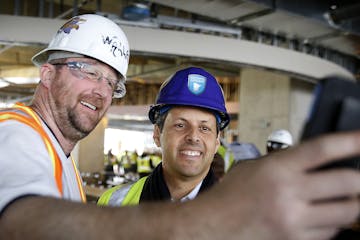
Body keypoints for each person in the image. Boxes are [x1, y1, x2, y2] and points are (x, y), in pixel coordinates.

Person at [1, 14, 360, 240]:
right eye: (89, 72)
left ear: (219, 139)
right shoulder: (16, 135)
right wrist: (213, 219)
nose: (100, 89)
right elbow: (18, 224)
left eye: (111, 82)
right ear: (47, 73)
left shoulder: (57, 155)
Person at [98, 67, 228, 206]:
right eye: (180, 125)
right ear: (157, 134)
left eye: (204, 128)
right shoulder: (114, 203)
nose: (193, 136)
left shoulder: (243, 214)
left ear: (216, 142)